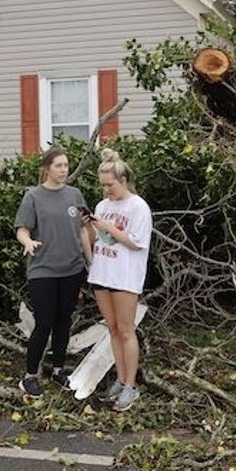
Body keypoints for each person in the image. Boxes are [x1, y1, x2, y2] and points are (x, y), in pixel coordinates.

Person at [14, 148, 92, 398]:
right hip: (43, 270)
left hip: (72, 269)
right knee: (44, 321)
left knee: (63, 320)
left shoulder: (75, 195)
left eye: (66, 165)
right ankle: (29, 377)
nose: (64, 170)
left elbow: (83, 231)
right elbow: (22, 229)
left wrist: (90, 262)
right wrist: (27, 241)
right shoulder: (33, 197)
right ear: (47, 168)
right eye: (58, 166)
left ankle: (58, 370)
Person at [85, 148, 152, 412]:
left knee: (126, 330)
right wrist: (90, 226)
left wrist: (110, 228)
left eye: (110, 185)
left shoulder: (138, 207)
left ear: (123, 181)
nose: (106, 191)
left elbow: (137, 243)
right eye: (102, 185)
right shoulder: (102, 206)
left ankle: (130, 386)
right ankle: (120, 378)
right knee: (111, 329)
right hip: (102, 272)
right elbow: (97, 239)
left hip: (125, 276)